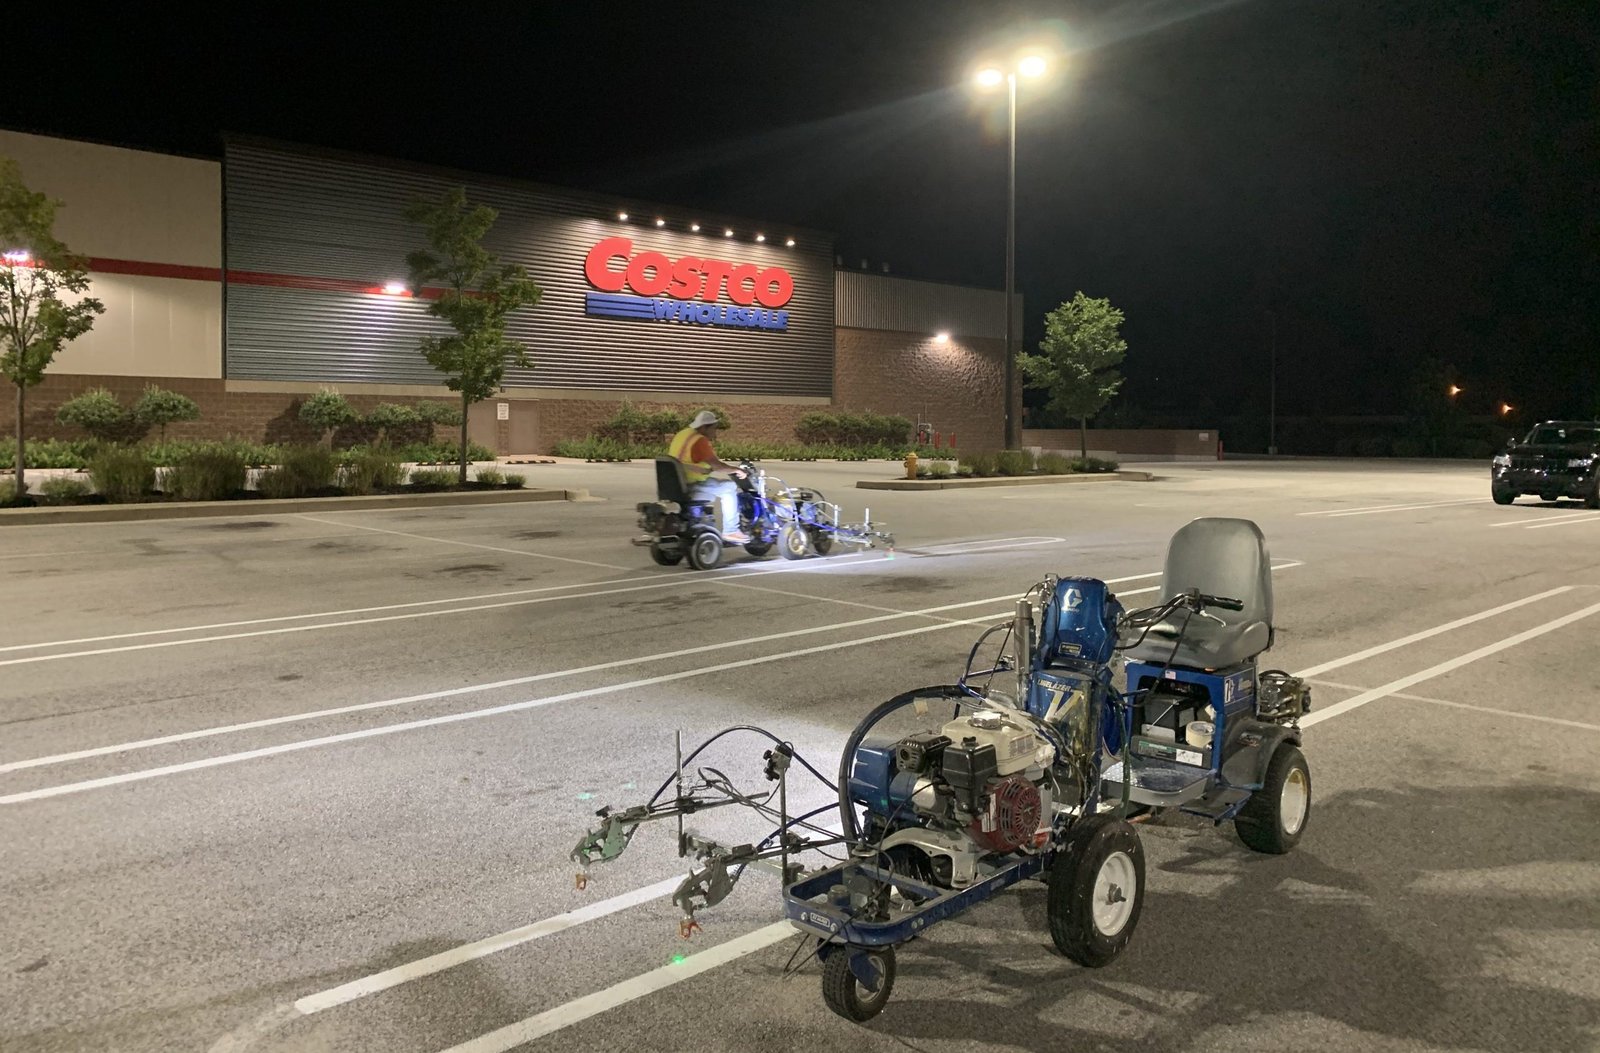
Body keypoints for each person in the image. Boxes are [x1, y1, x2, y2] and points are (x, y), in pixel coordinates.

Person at [668, 410, 750, 542]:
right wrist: (736, 470)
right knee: (729, 487)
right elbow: (717, 465)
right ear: (705, 427)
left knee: (718, 484)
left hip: (675, 483)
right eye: (714, 428)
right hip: (691, 483)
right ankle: (731, 531)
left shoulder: (682, 434)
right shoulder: (699, 440)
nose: (715, 432)